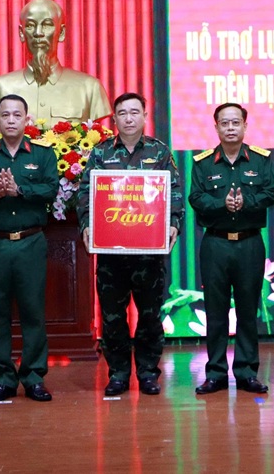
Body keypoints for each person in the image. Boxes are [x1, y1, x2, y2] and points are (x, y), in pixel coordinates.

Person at [76, 92, 184, 396]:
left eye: (135, 112)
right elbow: (85, 194)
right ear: (114, 119)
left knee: (150, 316)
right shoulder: (100, 153)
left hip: (148, 253)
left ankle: (148, 373)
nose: (129, 118)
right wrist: (86, 225)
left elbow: (174, 191)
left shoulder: (159, 152)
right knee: (113, 317)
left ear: (145, 116)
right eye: (122, 113)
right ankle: (118, 374)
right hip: (112, 254)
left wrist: (173, 223)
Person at [0, 94, 59, 403]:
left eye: (17, 114)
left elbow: (51, 188)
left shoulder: (43, 154)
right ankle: (3, 378)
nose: (11, 120)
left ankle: (33, 377)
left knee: (33, 311)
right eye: (5, 115)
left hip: (30, 242)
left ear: (27, 119)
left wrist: (21, 190)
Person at [189, 103, 274, 395]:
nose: (230, 128)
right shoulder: (203, 162)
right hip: (215, 244)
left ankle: (246, 373)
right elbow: (195, 197)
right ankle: (215, 374)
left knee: (247, 311)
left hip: (249, 244)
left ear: (244, 126)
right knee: (215, 312)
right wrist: (221, 204)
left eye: (235, 122)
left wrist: (246, 202)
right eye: (224, 123)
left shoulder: (261, 159)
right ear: (216, 127)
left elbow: (271, 192)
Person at [0, 0, 111, 126]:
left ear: (61, 32)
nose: (38, 33)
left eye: (47, 25)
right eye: (30, 25)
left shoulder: (89, 88)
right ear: (21, 33)